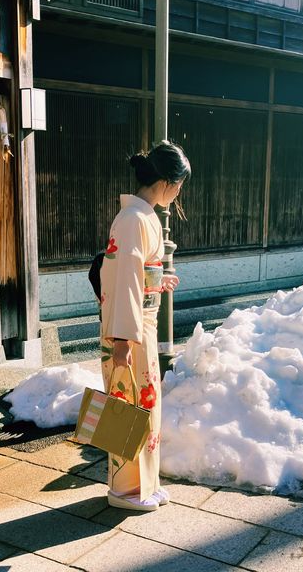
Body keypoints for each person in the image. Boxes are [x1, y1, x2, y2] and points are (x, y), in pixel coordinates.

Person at [99, 140, 191, 512]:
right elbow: (127, 282)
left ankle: (144, 483)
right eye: (180, 185)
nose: (180, 192)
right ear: (168, 182)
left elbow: (138, 276)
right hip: (130, 332)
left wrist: (158, 282)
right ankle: (125, 490)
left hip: (139, 327)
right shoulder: (135, 219)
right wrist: (122, 339)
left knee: (144, 405)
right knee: (129, 405)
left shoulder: (141, 216)